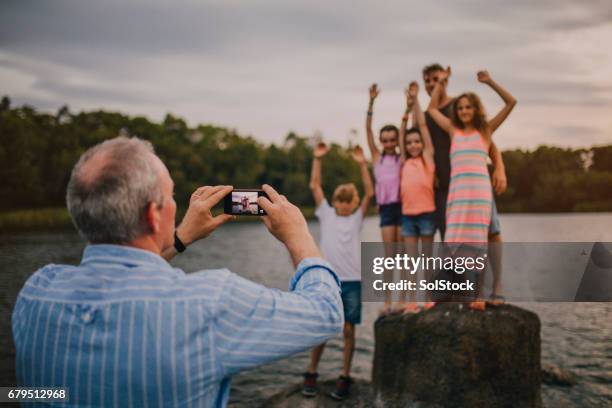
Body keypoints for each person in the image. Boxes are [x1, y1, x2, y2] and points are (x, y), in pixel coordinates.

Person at [11, 136, 344, 407]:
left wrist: (181, 238)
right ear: (154, 216)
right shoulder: (209, 303)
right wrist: (298, 235)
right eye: (170, 196)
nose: (175, 203)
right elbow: (326, 312)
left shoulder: (36, 292)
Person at [427, 67, 517, 310]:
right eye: (460, 107)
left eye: (468, 106)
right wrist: (442, 83)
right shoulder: (453, 130)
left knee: (479, 242)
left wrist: (489, 82)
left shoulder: (485, 131)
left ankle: (479, 294)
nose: (464, 111)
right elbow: (432, 109)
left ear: (476, 109)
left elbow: (511, 102)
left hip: (479, 195)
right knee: (454, 240)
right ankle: (449, 289)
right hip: (458, 196)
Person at [303, 142, 374, 400]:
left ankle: (345, 376)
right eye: (340, 201)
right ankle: (311, 372)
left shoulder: (356, 219)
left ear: (353, 204)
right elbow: (314, 186)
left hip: (352, 281)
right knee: (322, 328)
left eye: (348, 202)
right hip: (327, 280)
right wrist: (318, 159)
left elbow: (369, 192)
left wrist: (362, 164)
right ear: (334, 202)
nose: (344, 205)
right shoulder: (326, 214)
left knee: (348, 330)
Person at [398, 81, 436, 312]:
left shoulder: (428, 159)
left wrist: (416, 100)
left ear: (422, 143)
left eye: (416, 142)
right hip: (408, 217)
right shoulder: (405, 161)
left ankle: (430, 298)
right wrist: (407, 107)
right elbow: (404, 131)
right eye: (409, 142)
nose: (413, 145)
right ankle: (412, 300)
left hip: (427, 215)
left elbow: (421, 124)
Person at [365, 83, 403, 314]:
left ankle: (403, 299)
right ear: (381, 142)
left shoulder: (403, 158)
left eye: (392, 139)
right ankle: (388, 300)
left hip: (404, 207)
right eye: (385, 140)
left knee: (405, 256)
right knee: (390, 256)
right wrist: (371, 103)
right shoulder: (377, 158)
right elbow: (368, 130)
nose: (389, 143)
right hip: (387, 210)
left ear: (397, 141)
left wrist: (408, 109)